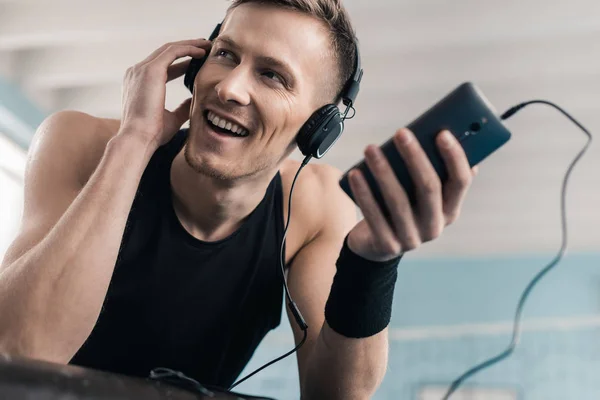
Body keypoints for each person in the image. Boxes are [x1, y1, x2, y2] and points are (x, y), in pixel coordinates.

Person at [0, 0, 477, 398]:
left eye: (272, 76)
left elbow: (336, 394)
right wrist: (134, 142)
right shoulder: (80, 142)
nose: (229, 87)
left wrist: (374, 263)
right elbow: (20, 350)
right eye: (225, 55)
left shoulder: (312, 207)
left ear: (319, 127)